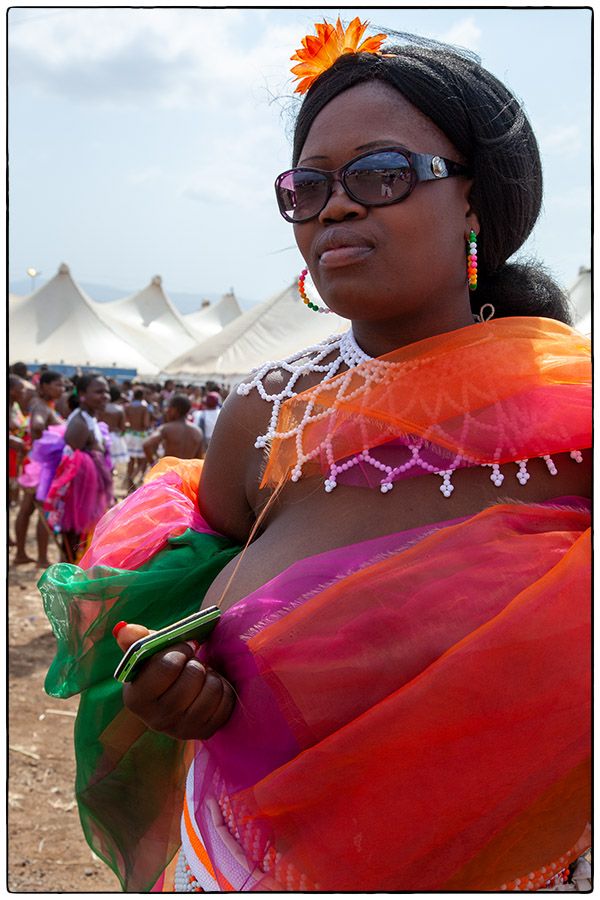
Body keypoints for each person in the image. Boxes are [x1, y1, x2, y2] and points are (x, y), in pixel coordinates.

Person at [41, 20, 590, 893]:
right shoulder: (263, 416)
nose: (336, 206)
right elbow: (192, 597)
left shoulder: (574, 414)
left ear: (477, 202)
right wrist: (173, 678)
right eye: (310, 184)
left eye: (382, 173)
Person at [42, 373, 113, 562]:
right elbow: (71, 464)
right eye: (98, 391)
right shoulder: (79, 423)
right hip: (78, 495)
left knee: (81, 539)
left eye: (106, 391)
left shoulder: (90, 418)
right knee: (73, 539)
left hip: (89, 492)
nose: (105, 395)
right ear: (82, 394)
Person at [14, 370, 64, 566]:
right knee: (43, 510)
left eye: (62, 386)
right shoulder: (41, 406)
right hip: (41, 468)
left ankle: (21, 554)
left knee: (26, 509)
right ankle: (42, 558)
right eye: (57, 385)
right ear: (43, 386)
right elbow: (37, 426)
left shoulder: (43, 405)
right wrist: (50, 444)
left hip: (35, 464)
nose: (61, 389)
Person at [142, 393, 204, 465]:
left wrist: (153, 464)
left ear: (175, 410)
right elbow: (199, 459)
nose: (167, 411)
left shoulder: (166, 428)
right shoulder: (197, 431)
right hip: (187, 473)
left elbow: (147, 445)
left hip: (169, 471)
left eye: (169, 408)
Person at [124, 388, 152, 490]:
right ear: (142, 396)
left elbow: (126, 422)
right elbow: (145, 423)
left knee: (130, 461)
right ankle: (133, 479)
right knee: (142, 461)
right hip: (140, 435)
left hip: (130, 434)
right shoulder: (144, 407)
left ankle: (128, 481)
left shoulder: (128, 406)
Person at [99, 385, 130, 472]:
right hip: (114, 438)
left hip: (101, 436)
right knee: (112, 461)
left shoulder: (101, 407)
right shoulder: (119, 409)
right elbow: (122, 428)